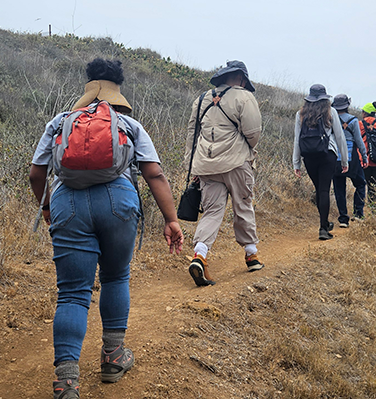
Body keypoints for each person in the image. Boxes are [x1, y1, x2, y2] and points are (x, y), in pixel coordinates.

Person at [29, 58, 185, 399]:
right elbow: (154, 174)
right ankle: (113, 356)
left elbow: (36, 174)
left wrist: (46, 206)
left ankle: (66, 381)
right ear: (118, 91)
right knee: (115, 277)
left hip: (67, 204)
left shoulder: (60, 122)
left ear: (88, 87)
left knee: (72, 293)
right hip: (118, 202)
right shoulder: (129, 124)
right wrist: (171, 219)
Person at [185, 61, 263, 287]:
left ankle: (200, 255)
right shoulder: (245, 97)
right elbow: (253, 134)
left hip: (206, 165)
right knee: (243, 205)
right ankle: (251, 255)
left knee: (212, 211)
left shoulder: (202, 99)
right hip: (236, 163)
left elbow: (192, 134)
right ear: (241, 78)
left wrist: (191, 165)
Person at [292, 84, 348, 240]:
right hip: (327, 154)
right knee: (324, 190)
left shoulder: (300, 114)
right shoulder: (331, 111)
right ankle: (323, 228)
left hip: (309, 156)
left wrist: (296, 163)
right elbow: (339, 137)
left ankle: (325, 223)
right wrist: (344, 160)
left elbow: (297, 139)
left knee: (319, 190)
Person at [331, 94, 367, 227]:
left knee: (339, 188)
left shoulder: (330, 120)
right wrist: (364, 156)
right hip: (352, 158)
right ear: (347, 106)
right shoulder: (353, 120)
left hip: (335, 158)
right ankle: (358, 214)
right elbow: (359, 140)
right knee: (360, 184)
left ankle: (343, 219)